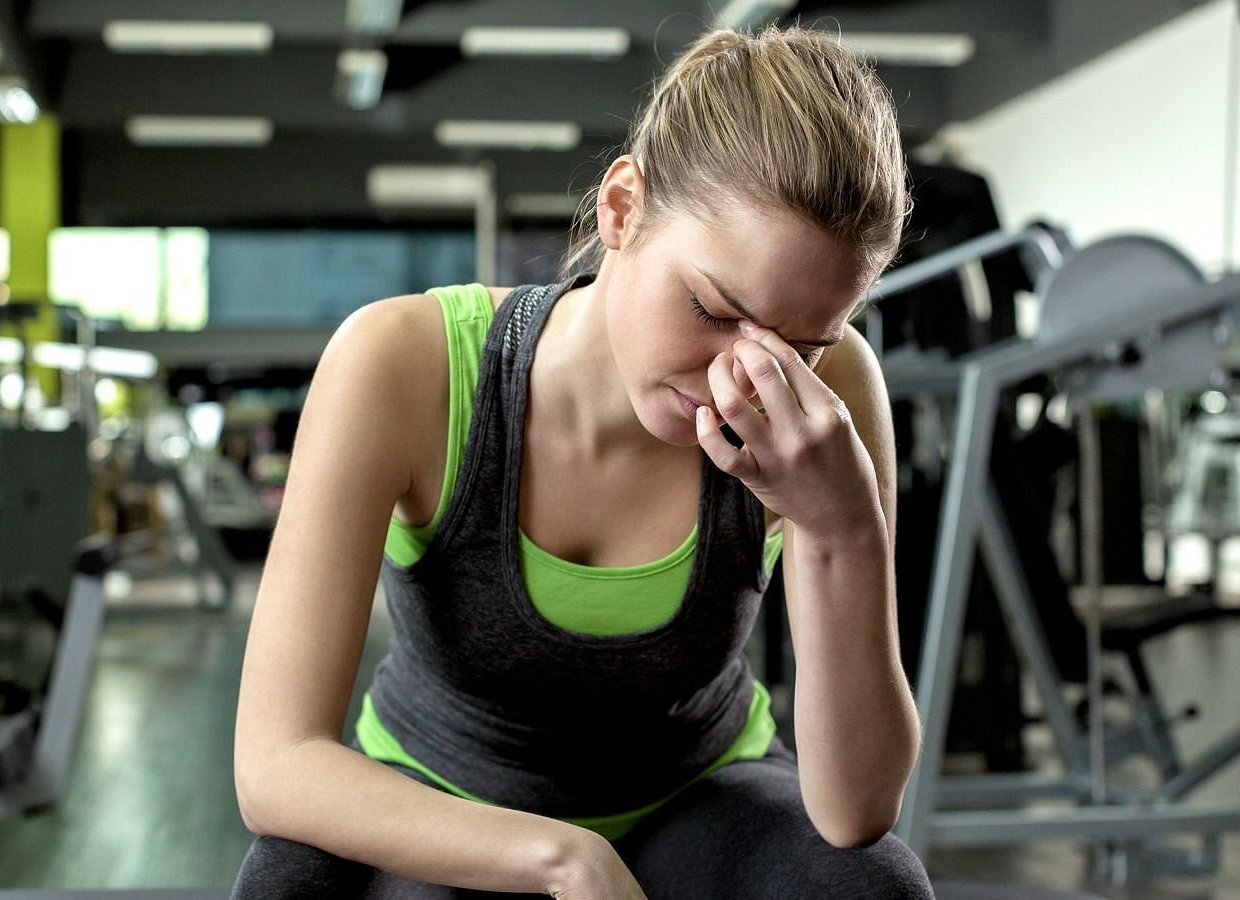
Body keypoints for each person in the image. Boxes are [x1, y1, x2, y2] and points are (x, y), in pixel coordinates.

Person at [231, 24, 933, 899]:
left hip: (698, 800)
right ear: (621, 209)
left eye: (800, 345)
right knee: (287, 882)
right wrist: (560, 856)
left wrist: (842, 527)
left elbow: (855, 810)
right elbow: (275, 763)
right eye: (713, 310)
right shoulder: (400, 363)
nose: (738, 379)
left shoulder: (829, 402)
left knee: (870, 886)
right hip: (444, 797)